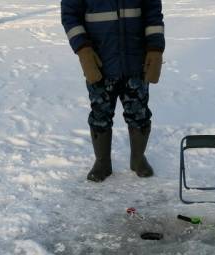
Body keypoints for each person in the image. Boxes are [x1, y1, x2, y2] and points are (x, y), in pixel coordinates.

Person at [61, 1, 165, 182]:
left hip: (136, 62)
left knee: (139, 113)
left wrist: (155, 48)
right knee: (100, 114)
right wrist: (83, 50)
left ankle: (138, 158)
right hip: (100, 62)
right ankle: (102, 162)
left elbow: (153, 13)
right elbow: (70, 16)